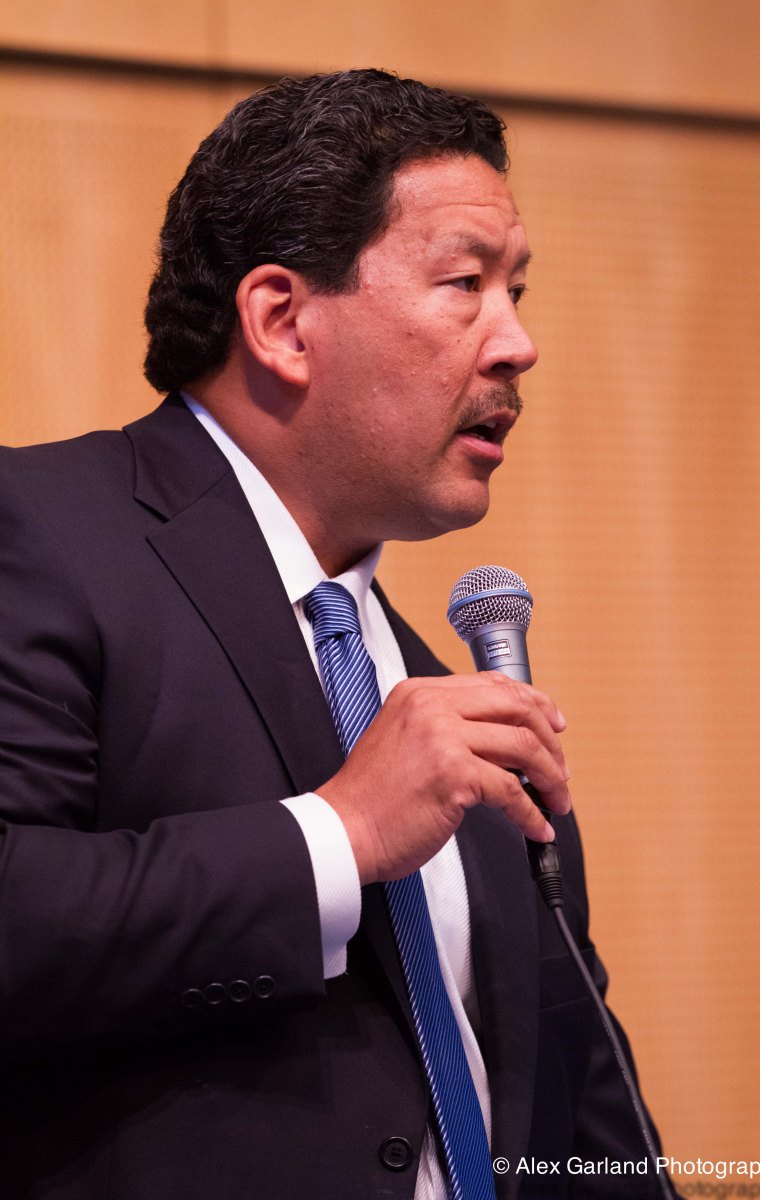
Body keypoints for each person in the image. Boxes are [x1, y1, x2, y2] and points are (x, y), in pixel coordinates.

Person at [0, 69, 675, 1200]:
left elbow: (577, 1095)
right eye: (465, 284)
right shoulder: (37, 533)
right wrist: (339, 834)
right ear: (282, 322)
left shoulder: (439, 695)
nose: (517, 345)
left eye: (516, 292)